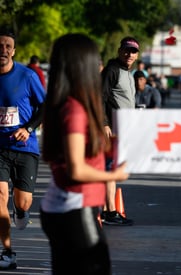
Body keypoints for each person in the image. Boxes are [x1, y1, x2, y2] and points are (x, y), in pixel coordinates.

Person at [40, 33, 129, 275]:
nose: (100, 66)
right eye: (96, 60)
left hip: (63, 207)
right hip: (75, 208)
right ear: (83, 66)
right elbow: (76, 168)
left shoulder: (64, 103)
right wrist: (114, 175)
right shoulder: (75, 109)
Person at [0, 29, 45, 269]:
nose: (3, 50)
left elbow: (44, 107)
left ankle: (21, 210)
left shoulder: (27, 76)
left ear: (14, 51)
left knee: (23, 202)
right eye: (0, 46)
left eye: (8, 46)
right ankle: (7, 252)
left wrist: (28, 128)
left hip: (25, 147)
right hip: (0, 148)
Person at [100, 36, 139, 226]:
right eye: (126, 50)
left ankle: (110, 210)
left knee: (112, 169)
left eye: (133, 51)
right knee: (109, 169)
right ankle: (109, 212)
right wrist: (104, 123)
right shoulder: (112, 70)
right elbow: (100, 97)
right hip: (111, 129)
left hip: (123, 128)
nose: (129, 54)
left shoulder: (128, 73)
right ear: (119, 51)